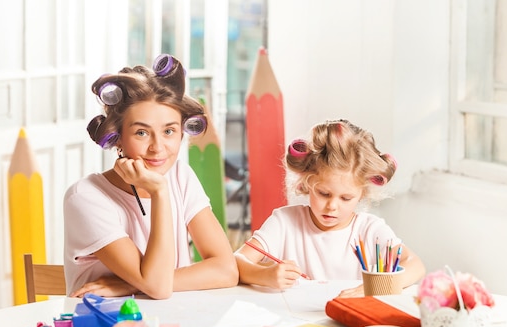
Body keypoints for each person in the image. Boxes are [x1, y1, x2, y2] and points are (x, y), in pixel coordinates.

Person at [63, 54, 238, 299]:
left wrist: (131, 284)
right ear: (118, 137)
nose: (157, 147)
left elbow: (226, 270)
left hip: (175, 324)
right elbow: (158, 287)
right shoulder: (85, 197)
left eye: (169, 131)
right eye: (142, 132)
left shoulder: (181, 176)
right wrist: (159, 192)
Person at [234, 118, 425, 296]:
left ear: (362, 194)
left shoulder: (369, 229)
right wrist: (264, 275)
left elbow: (415, 266)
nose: (332, 206)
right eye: (324, 193)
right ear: (307, 183)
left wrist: (367, 289)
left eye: (346, 198)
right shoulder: (284, 222)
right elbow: (237, 261)